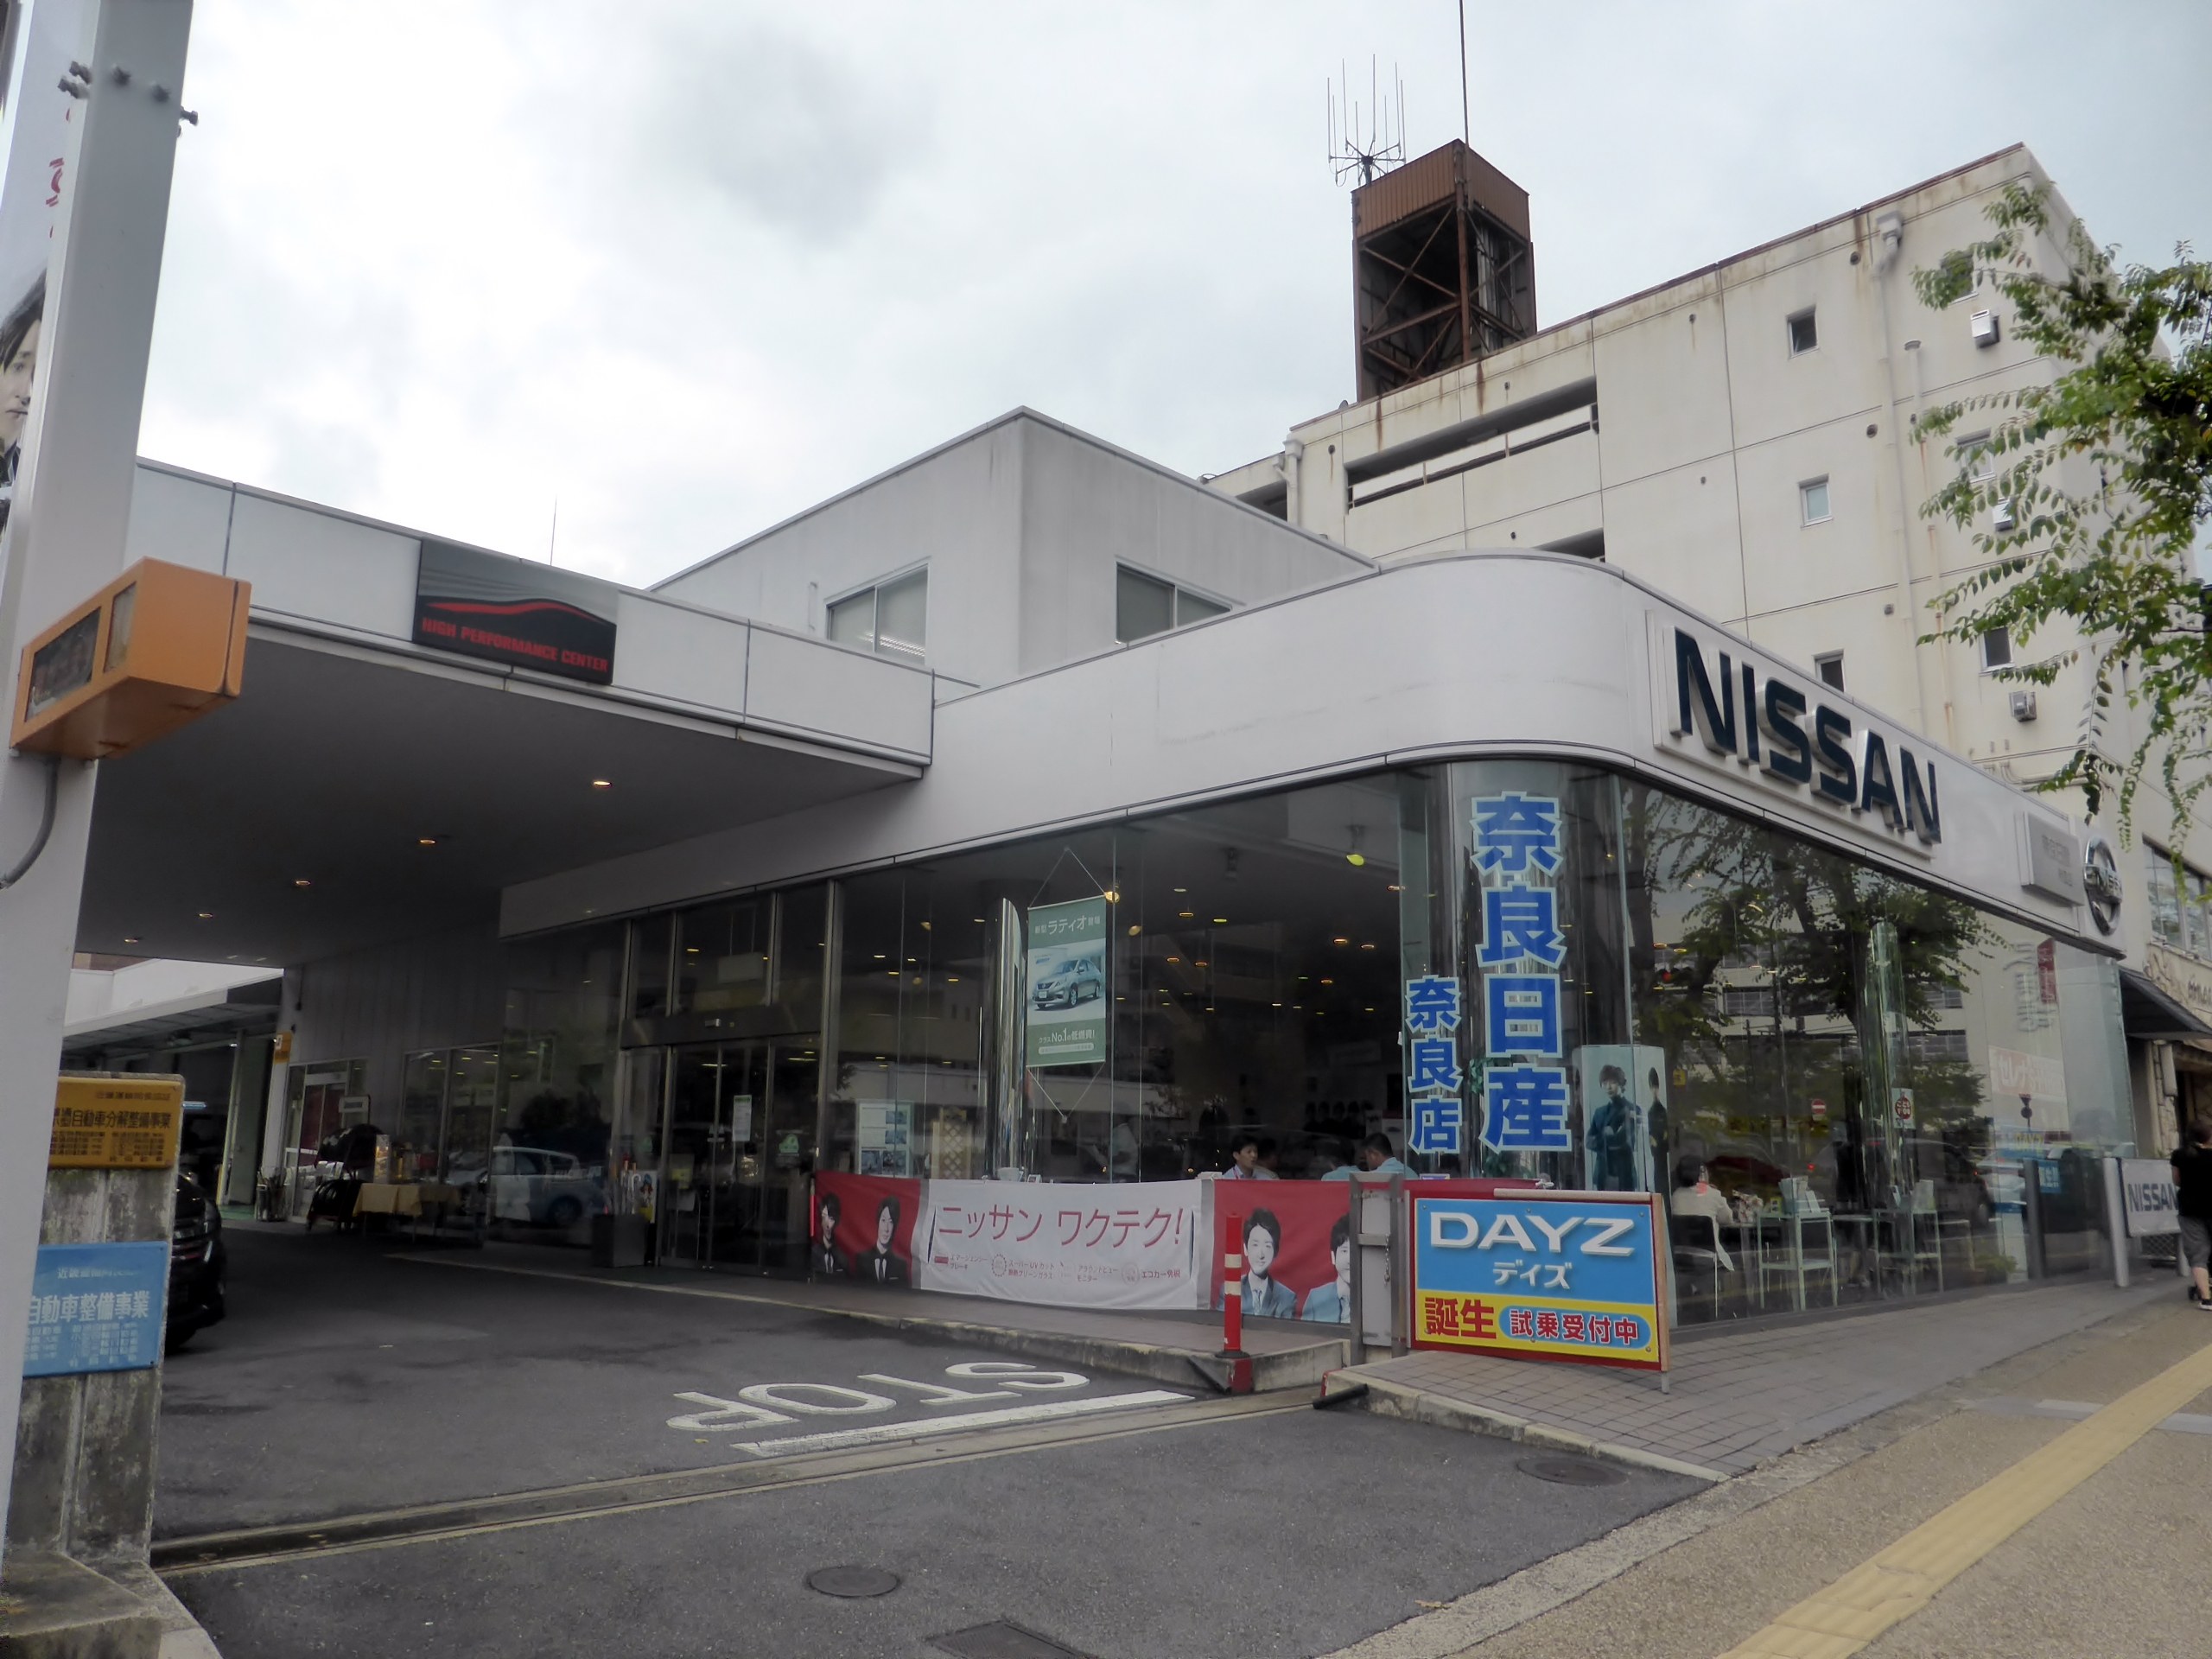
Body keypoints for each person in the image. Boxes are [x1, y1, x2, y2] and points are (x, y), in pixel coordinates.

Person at [1586, 1063, 1667, 1192]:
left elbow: (1621, 1139)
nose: (1609, 1087)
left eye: (1612, 1082)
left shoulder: (1632, 1109)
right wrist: (1607, 1137)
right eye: (1605, 1083)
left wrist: (1602, 1139)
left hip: (1623, 1172)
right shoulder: (1599, 1112)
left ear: (1621, 1084)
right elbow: (1589, 1141)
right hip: (1603, 1173)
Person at [1220, 1207, 1296, 1318]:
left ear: (1276, 1251)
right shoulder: (1229, 1289)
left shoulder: (1287, 1297)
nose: (1261, 1255)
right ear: (1245, 1248)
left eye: (1267, 1246)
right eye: (1255, 1245)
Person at [1669, 1154, 1735, 1271]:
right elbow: (1728, 1219)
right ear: (1702, 1173)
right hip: (1708, 1257)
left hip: (1680, 1256)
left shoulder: (1675, 1196)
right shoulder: (1712, 1194)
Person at [2172, 1115, 2212, 1310]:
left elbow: (2177, 1181)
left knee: (2198, 1254)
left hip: (2189, 1209)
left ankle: (2206, 1299)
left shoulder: (2179, 1155)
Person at [1300, 1213, 1352, 1323]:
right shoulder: (1316, 1299)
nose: (1350, 1259)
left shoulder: (1375, 1301)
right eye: (1344, 1251)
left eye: (1355, 1252)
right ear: (1333, 1257)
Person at [852, 1194, 906, 1285]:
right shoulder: (862, 1260)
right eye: (883, 1220)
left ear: (895, 1227)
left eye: (891, 1222)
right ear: (878, 1221)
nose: (886, 1229)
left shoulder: (901, 1265)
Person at [812, 1191, 844, 1278]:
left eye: (831, 1218)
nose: (827, 1224)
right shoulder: (813, 1253)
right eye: (824, 1217)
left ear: (836, 1221)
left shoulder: (842, 1257)